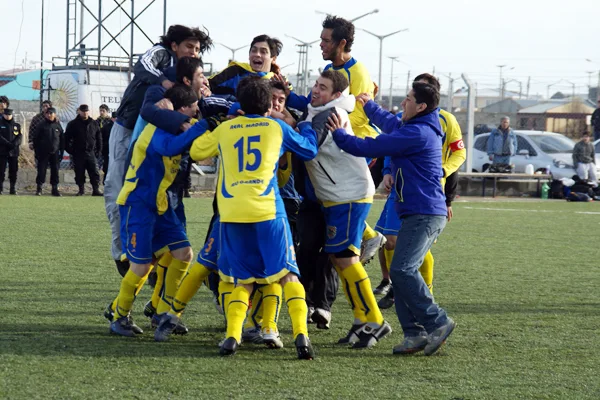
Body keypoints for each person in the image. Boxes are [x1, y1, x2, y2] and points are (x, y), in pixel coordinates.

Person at [190, 77, 317, 359]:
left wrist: (214, 127)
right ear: (269, 105)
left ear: (240, 104)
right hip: (268, 211)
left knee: (242, 279)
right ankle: (301, 338)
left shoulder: (227, 129)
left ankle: (232, 337)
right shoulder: (277, 127)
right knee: (288, 274)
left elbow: (197, 151)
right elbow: (309, 149)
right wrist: (305, 124)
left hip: (233, 214)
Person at [330, 81, 456, 356]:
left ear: (421, 106)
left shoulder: (419, 133)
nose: (402, 104)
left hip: (425, 214)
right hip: (417, 212)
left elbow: (373, 146)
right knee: (399, 274)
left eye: (408, 99)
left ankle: (437, 321)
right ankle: (414, 334)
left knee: (401, 270)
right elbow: (389, 122)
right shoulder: (416, 126)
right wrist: (369, 105)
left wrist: (339, 135)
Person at [104, 25, 212, 280]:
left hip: (161, 139)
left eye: (198, 49)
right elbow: (142, 67)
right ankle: (124, 253)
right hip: (129, 129)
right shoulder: (162, 57)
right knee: (120, 189)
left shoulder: (190, 75)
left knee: (162, 195)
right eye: (189, 46)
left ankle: (156, 257)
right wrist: (166, 87)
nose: (194, 53)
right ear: (174, 46)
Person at [283, 15, 385, 265]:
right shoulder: (330, 71)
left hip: (356, 144)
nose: (320, 45)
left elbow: (359, 115)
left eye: (326, 41)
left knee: (342, 201)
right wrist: (286, 95)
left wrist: (341, 139)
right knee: (323, 201)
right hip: (333, 141)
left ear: (341, 43)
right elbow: (311, 104)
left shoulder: (357, 71)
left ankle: (368, 237)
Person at [299, 70, 390, 348]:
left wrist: (292, 125)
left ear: (336, 95)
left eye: (323, 87)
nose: (316, 90)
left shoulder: (328, 115)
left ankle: (374, 320)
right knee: (340, 260)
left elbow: (308, 148)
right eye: (316, 84)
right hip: (339, 195)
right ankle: (361, 319)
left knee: (346, 260)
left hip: (347, 196)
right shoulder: (320, 110)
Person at [109, 84, 210, 337]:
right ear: (183, 109)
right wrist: (202, 126)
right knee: (142, 266)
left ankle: (164, 314)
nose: (196, 116)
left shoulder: (173, 127)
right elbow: (170, 148)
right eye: (194, 111)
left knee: (184, 253)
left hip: (161, 205)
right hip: (138, 204)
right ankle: (119, 316)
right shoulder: (157, 128)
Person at [375, 73, 466, 308]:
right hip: (399, 188)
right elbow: (390, 144)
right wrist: (386, 171)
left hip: (427, 193)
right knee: (388, 239)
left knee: (412, 244)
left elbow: (459, 153)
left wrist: (445, 176)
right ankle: (393, 283)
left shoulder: (447, 121)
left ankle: (423, 290)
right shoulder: (404, 116)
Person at [209, 34, 282, 96]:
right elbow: (208, 85)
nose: (257, 54)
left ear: (273, 59)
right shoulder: (235, 72)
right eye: (254, 51)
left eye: (263, 52)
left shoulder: (277, 81)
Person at [65, 104, 103, 196]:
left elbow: (99, 138)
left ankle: (95, 190)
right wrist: (71, 151)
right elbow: (66, 139)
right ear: (79, 111)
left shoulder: (94, 123)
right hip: (78, 153)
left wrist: (98, 151)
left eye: (86, 111)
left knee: (94, 172)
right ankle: (81, 190)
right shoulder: (73, 124)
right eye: (83, 111)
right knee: (79, 172)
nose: (85, 113)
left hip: (91, 153)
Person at [31, 107, 63, 196]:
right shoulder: (41, 125)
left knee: (55, 171)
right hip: (43, 153)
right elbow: (36, 139)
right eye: (48, 113)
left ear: (54, 114)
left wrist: (61, 151)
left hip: (55, 153)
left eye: (51, 113)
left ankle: (54, 189)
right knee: (41, 171)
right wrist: (37, 152)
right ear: (45, 114)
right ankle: (39, 189)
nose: (49, 115)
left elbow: (62, 139)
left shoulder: (57, 125)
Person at [0, 108, 22, 195]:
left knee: (13, 170)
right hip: (2, 151)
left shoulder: (16, 125)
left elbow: (19, 137)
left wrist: (14, 144)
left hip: (13, 151)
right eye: (6, 114)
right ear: (3, 115)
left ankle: (12, 188)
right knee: (1, 170)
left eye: (9, 115)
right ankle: (0, 188)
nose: (8, 116)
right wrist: (7, 143)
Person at [100, 112, 116, 184]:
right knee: (107, 166)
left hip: (117, 150)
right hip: (108, 150)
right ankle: (106, 181)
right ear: (112, 118)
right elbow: (101, 139)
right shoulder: (106, 127)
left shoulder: (122, 127)